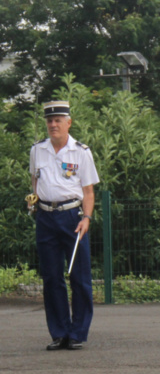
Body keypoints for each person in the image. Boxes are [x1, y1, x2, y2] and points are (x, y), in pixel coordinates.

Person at [30, 100, 100, 351]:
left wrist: (86, 219)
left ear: (68, 123)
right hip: (46, 217)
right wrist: (36, 207)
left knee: (79, 277)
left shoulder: (80, 151)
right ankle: (59, 333)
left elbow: (89, 191)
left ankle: (78, 333)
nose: (53, 125)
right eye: (49, 121)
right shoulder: (37, 150)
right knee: (51, 278)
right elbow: (34, 181)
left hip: (73, 217)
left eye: (58, 120)